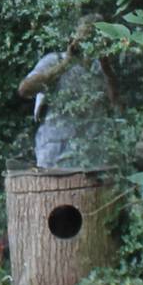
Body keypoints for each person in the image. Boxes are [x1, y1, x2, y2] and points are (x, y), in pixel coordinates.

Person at [18, 19, 119, 171]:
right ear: (73, 38)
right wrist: (65, 64)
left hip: (93, 158)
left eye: (94, 38)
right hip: (55, 155)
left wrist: (106, 65)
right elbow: (25, 89)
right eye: (84, 38)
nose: (88, 44)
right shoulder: (54, 60)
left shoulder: (102, 69)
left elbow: (117, 106)